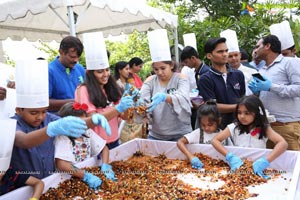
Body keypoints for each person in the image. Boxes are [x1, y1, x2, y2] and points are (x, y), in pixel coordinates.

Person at [11, 59, 111, 180]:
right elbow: (24, 141)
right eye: (33, 113)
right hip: (25, 182)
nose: (40, 117)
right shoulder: (12, 124)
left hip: (50, 178)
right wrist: (51, 129)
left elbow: (73, 123)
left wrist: (93, 120)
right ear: (18, 110)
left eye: (44, 111)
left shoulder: (49, 118)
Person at [76, 31, 134, 149]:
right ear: (89, 73)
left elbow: (125, 117)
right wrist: (117, 108)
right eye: (100, 71)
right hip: (96, 143)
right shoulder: (83, 90)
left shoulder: (112, 88)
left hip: (114, 140)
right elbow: (92, 120)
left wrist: (130, 105)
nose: (105, 74)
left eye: (107, 70)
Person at [211, 95, 288, 178]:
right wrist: (230, 157)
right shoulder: (234, 127)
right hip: (239, 167)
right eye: (239, 112)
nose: (242, 116)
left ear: (257, 113)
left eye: (247, 113)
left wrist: (265, 161)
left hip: (258, 168)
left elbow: (283, 143)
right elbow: (215, 140)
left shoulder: (264, 128)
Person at [248, 35, 300, 150]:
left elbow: (298, 89)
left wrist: (271, 86)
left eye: (258, 46)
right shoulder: (262, 70)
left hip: (286, 126)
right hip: (267, 127)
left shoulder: (289, 63)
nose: (255, 50)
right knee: (272, 167)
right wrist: (256, 92)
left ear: (267, 46)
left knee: (293, 165)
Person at [140, 29, 192, 141]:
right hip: (156, 134)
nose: (159, 72)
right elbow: (142, 101)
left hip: (180, 134)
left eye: (163, 68)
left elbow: (183, 98)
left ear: (172, 65)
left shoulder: (181, 78)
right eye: (156, 69)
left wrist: (166, 97)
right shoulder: (150, 81)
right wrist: (139, 102)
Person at [54, 102, 116, 189]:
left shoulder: (87, 132)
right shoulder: (62, 138)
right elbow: (62, 164)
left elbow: (104, 149)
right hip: (69, 177)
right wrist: (85, 176)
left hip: (87, 172)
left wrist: (105, 165)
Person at [198, 37, 245, 129]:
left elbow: (242, 98)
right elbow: (212, 107)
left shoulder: (238, 74)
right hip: (218, 127)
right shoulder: (206, 78)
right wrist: (239, 107)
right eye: (220, 52)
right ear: (209, 56)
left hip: (239, 125)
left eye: (226, 51)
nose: (225, 54)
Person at [177, 100, 224, 169]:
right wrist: (190, 157)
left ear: (219, 121)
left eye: (210, 125)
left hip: (219, 167)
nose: (206, 128)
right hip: (200, 166)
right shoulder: (198, 133)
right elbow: (180, 142)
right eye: (203, 125)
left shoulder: (223, 134)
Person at [48, 36, 86, 114]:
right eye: (72, 57)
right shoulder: (49, 71)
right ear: (61, 52)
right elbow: (44, 103)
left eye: (78, 57)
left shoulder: (80, 68)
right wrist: (71, 102)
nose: (76, 60)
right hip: (58, 120)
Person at [180, 46, 210, 129]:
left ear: (193, 58)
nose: (186, 65)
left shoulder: (205, 73)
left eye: (186, 62)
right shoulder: (197, 72)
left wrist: (200, 103)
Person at [220, 29, 257, 96]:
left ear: (240, 55)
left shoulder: (253, 72)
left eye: (236, 55)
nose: (234, 58)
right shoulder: (221, 74)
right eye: (230, 56)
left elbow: (260, 92)